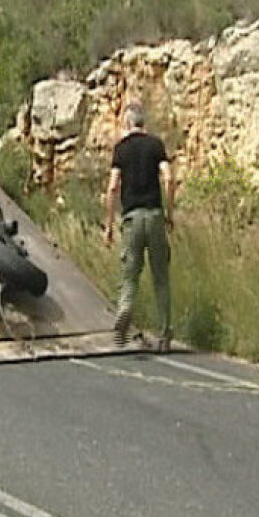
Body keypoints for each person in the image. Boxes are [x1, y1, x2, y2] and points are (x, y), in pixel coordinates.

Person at [103, 102, 175, 351]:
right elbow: (169, 178)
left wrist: (109, 225)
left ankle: (125, 309)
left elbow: (113, 186)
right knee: (161, 278)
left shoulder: (121, 149)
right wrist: (169, 214)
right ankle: (164, 335)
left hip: (132, 219)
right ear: (144, 122)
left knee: (130, 276)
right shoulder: (156, 145)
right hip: (154, 216)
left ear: (127, 123)